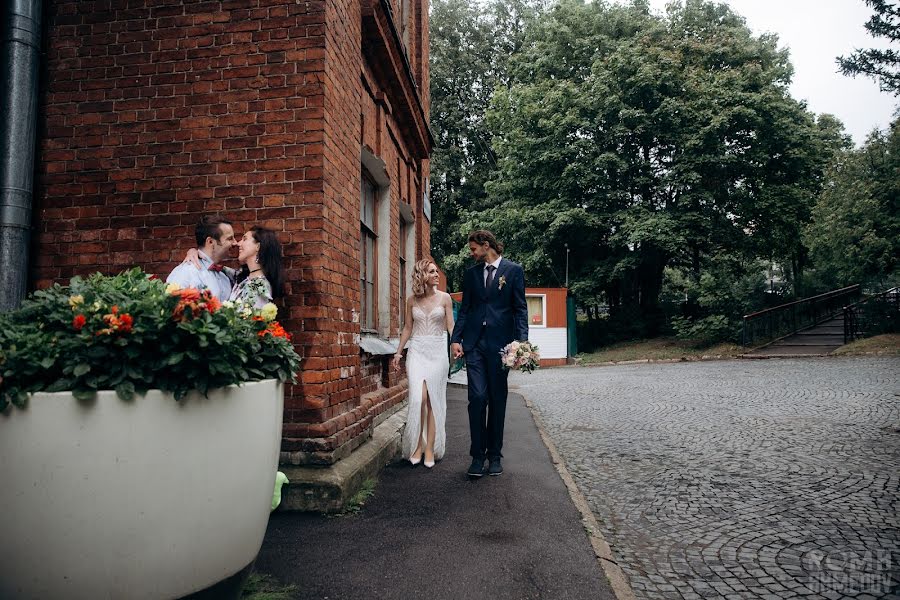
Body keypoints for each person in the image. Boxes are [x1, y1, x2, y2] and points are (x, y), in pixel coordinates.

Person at [450, 230, 528, 478]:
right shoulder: (471, 274)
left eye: (473, 249)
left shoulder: (513, 270)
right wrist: (456, 339)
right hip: (474, 345)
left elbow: (520, 309)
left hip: (500, 347)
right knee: (477, 397)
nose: (471, 253)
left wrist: (522, 343)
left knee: (497, 399)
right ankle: (476, 456)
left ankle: (495, 455)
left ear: (486, 246)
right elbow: (465, 310)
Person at [392, 260, 455, 468]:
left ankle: (429, 448)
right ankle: (417, 445)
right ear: (422, 275)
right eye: (432, 271)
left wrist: (457, 345)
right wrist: (398, 353)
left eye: (437, 270)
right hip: (417, 351)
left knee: (433, 400)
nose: (436, 274)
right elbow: (408, 328)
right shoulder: (411, 301)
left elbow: (451, 326)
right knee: (419, 398)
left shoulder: (445, 298)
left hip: (437, 352)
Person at [166, 215, 237, 302]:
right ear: (210, 242)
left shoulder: (225, 276)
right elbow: (170, 306)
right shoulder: (186, 272)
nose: (235, 243)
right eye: (230, 239)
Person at [228, 226, 285, 309]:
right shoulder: (244, 277)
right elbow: (218, 268)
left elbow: (250, 320)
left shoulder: (260, 286)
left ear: (258, 246)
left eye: (245, 239)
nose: (238, 243)